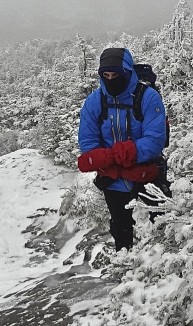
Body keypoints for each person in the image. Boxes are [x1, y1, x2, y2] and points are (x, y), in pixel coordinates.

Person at [76, 48, 168, 252]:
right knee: (121, 231)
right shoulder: (95, 102)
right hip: (114, 181)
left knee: (162, 226)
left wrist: (113, 157)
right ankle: (125, 269)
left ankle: (163, 271)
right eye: (106, 75)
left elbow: (155, 140)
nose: (111, 79)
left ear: (127, 72)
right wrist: (119, 167)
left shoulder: (147, 97)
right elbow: (88, 143)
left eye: (116, 75)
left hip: (148, 174)